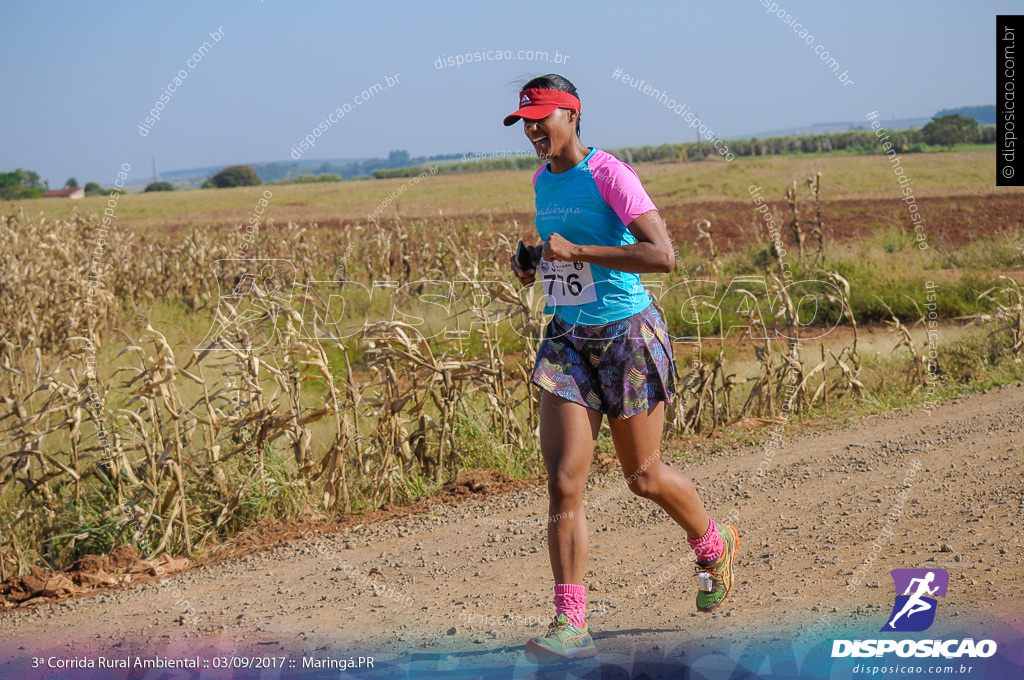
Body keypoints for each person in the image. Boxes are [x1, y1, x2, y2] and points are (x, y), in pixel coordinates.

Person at [504, 73, 740, 664]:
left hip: (627, 337)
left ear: (572, 115)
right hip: (566, 340)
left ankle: (714, 544)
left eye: (541, 118)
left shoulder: (609, 173)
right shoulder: (542, 179)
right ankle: (570, 621)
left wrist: (577, 253)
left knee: (643, 478)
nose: (532, 130)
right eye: (525, 121)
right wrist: (533, 261)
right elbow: (559, 247)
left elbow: (662, 255)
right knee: (563, 481)